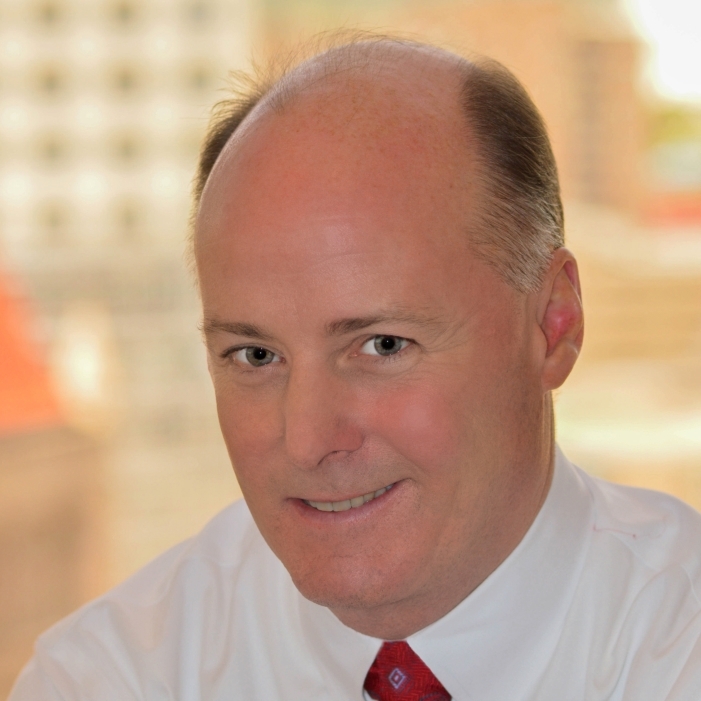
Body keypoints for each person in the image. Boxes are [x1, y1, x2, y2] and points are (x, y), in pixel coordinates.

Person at [10, 36, 701, 701]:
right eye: (255, 355)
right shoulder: (112, 677)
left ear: (553, 324)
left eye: (381, 346)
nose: (308, 438)